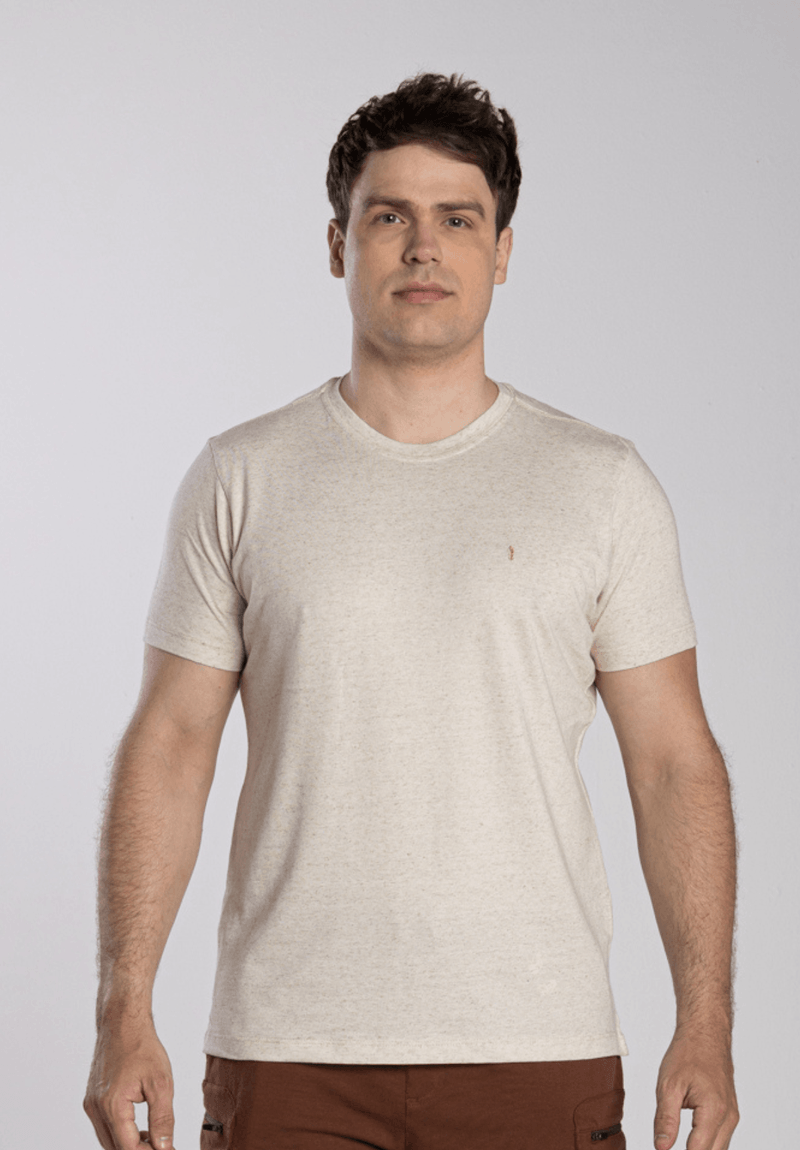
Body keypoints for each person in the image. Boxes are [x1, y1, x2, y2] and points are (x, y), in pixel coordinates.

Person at [84, 72, 739, 1150]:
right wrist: (123, 1011)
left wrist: (705, 1024)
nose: (424, 247)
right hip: (287, 1050)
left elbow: (673, 762)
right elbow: (170, 743)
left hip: (536, 1044)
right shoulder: (241, 476)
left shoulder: (601, 484)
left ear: (502, 251)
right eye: (389, 217)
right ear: (337, 245)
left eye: (458, 220)